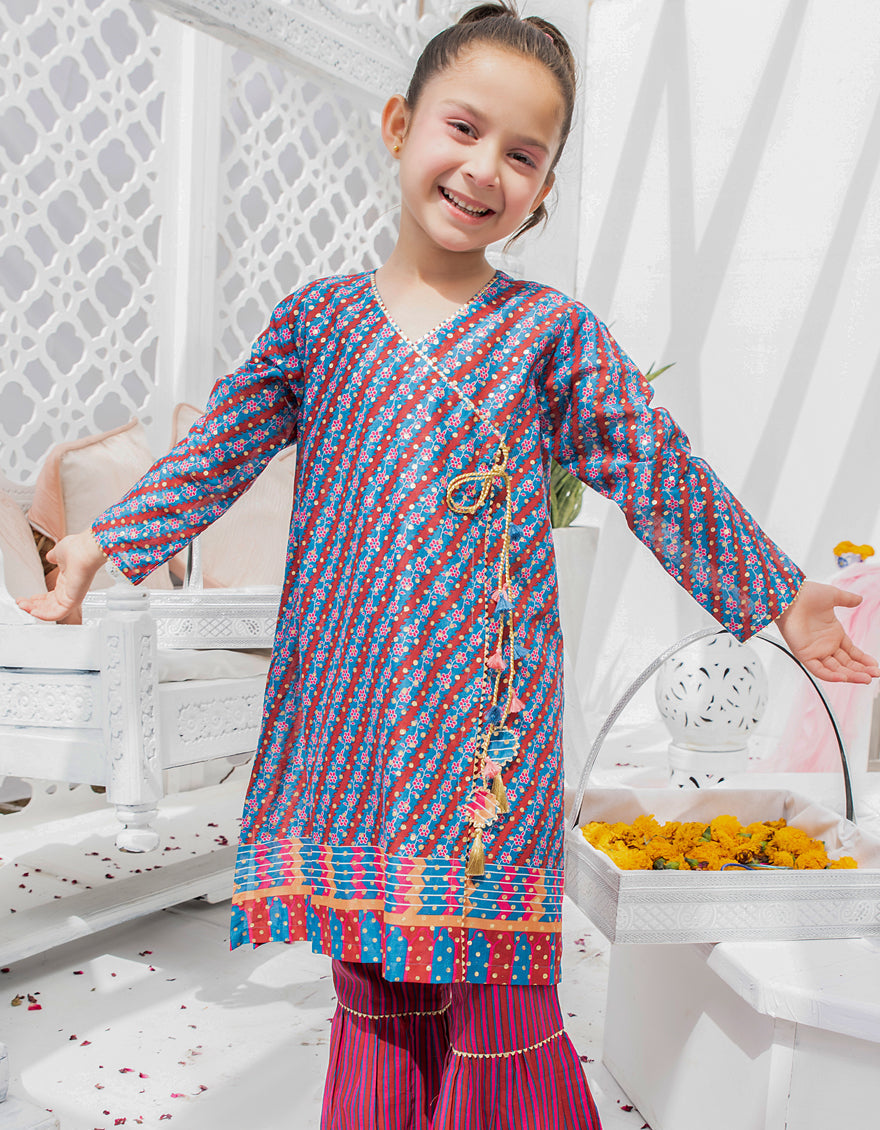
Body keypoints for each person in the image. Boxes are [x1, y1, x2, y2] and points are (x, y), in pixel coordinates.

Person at [19, 4, 880, 1127]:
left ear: (545, 188)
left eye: (522, 154)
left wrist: (782, 595)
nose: (483, 170)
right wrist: (98, 541)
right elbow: (216, 449)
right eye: (463, 128)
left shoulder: (550, 335)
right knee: (375, 973)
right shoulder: (317, 326)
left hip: (484, 727)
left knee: (497, 988)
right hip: (350, 719)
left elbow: (655, 465)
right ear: (399, 124)